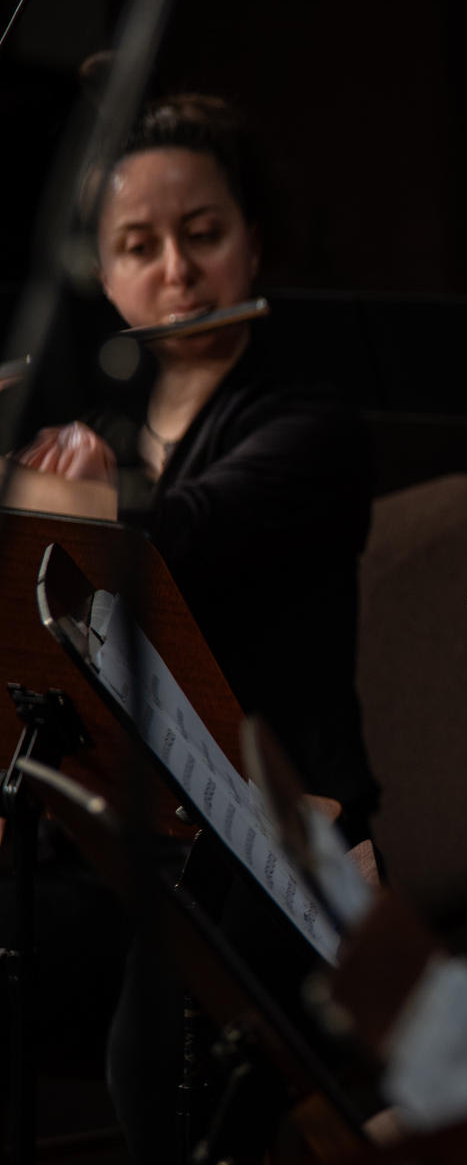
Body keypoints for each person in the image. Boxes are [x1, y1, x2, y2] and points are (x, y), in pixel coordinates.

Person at [10, 94, 379, 1164]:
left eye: (203, 234)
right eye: (139, 245)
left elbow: (178, 535)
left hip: (286, 840)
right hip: (110, 836)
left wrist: (49, 499)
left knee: (161, 1056)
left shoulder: (309, 421)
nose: (176, 269)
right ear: (108, 277)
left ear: (252, 242)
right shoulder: (97, 433)